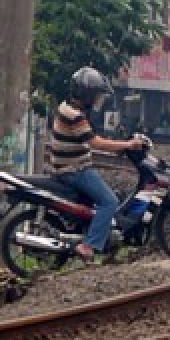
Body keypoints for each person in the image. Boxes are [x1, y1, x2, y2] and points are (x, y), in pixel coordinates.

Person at [50, 67, 149, 261]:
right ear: (86, 94)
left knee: (108, 198)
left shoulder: (67, 107)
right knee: (110, 201)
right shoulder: (75, 115)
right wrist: (128, 144)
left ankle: (96, 237)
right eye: (96, 95)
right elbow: (95, 142)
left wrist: (120, 145)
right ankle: (89, 245)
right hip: (75, 169)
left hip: (68, 167)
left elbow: (89, 138)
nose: (97, 100)